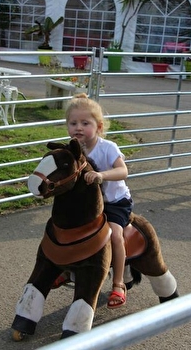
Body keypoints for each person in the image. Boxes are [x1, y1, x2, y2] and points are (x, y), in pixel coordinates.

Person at [65, 93, 133, 309]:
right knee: (66, 230)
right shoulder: (73, 150)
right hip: (90, 205)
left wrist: (102, 175)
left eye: (85, 123)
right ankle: (65, 270)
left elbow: (123, 171)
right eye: (73, 123)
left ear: (99, 127)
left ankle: (119, 282)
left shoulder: (108, 147)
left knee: (114, 234)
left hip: (114, 202)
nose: (78, 127)